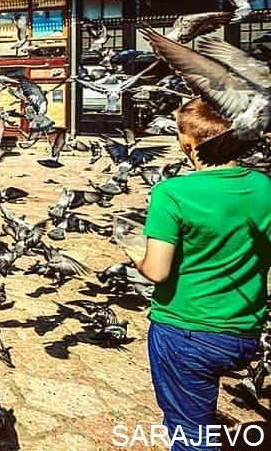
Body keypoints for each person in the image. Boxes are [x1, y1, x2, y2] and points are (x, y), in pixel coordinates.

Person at [121, 99, 271, 450]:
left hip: (185, 330)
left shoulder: (172, 193)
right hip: (243, 333)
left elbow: (157, 271)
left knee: (189, 434)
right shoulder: (265, 186)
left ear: (187, 142)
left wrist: (134, 254)